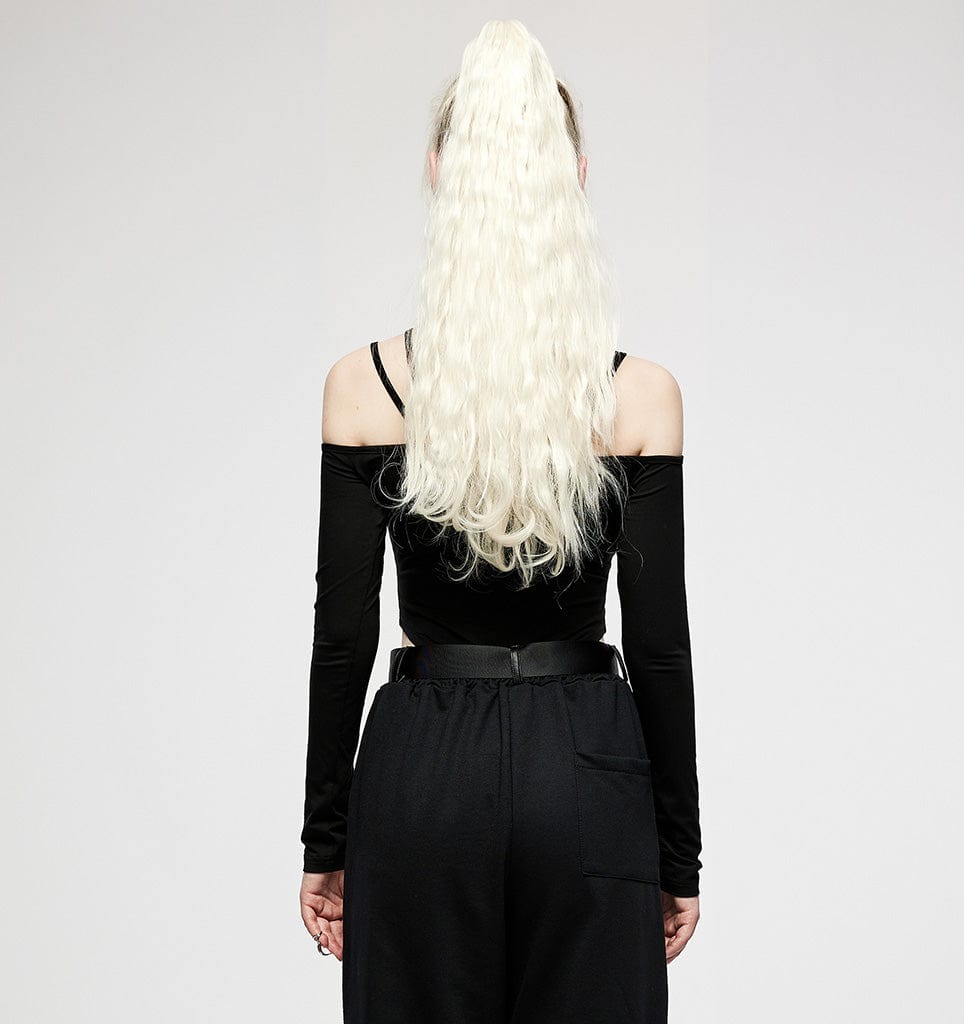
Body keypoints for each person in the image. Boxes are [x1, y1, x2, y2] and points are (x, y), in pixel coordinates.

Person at [297, 19, 702, 1024]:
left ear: (440, 171)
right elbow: (659, 646)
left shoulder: (365, 386)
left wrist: (325, 841)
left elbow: (342, 636)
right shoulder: (639, 399)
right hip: (588, 767)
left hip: (420, 774)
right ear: (576, 176)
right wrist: (677, 852)